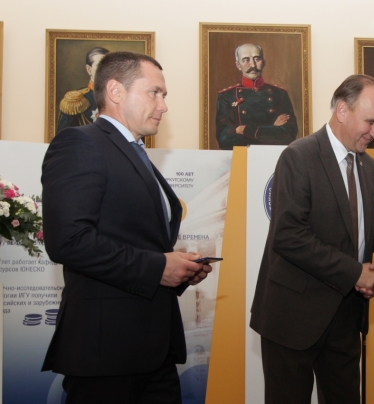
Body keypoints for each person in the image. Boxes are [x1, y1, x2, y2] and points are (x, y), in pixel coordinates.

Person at [41, 51, 213, 404]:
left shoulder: (135, 152)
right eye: (154, 92)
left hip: (154, 351)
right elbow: (68, 240)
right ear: (116, 91)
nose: (163, 106)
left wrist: (178, 270)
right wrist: (158, 267)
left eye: (164, 95)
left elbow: (135, 241)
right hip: (105, 355)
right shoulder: (81, 143)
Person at [250, 74, 374, 404]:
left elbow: (371, 228)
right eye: (371, 122)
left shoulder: (368, 167)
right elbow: (289, 236)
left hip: (346, 317)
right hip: (294, 316)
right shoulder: (298, 156)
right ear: (342, 110)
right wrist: (355, 273)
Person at [215, 43, 298, 149]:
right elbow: (225, 140)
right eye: (246, 60)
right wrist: (271, 130)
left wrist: (244, 130)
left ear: (263, 62)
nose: (253, 65)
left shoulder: (280, 94)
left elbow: (288, 136)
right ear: (238, 65)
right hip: (241, 156)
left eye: (257, 59)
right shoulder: (227, 96)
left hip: (272, 155)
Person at [56, 47, 110, 134]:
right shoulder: (74, 101)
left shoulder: (120, 97)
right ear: (89, 69)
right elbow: (64, 138)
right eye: (100, 65)